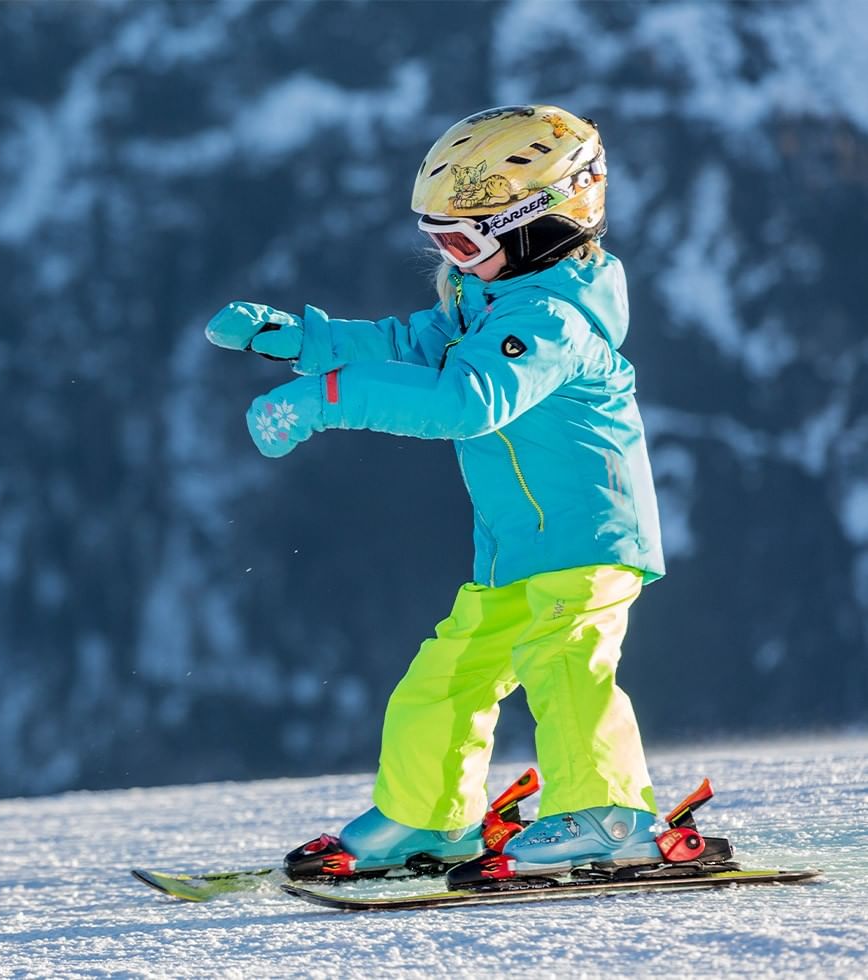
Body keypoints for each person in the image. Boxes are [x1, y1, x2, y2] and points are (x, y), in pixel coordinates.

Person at [205, 104, 666, 883]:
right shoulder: (485, 298)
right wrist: (301, 340)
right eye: (437, 240)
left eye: (463, 241)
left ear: (538, 225)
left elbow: (463, 400)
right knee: (446, 675)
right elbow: (409, 343)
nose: (448, 258)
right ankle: (432, 816)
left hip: (589, 540)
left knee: (564, 662)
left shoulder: (551, 319)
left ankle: (608, 815)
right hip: (516, 550)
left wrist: (328, 399)